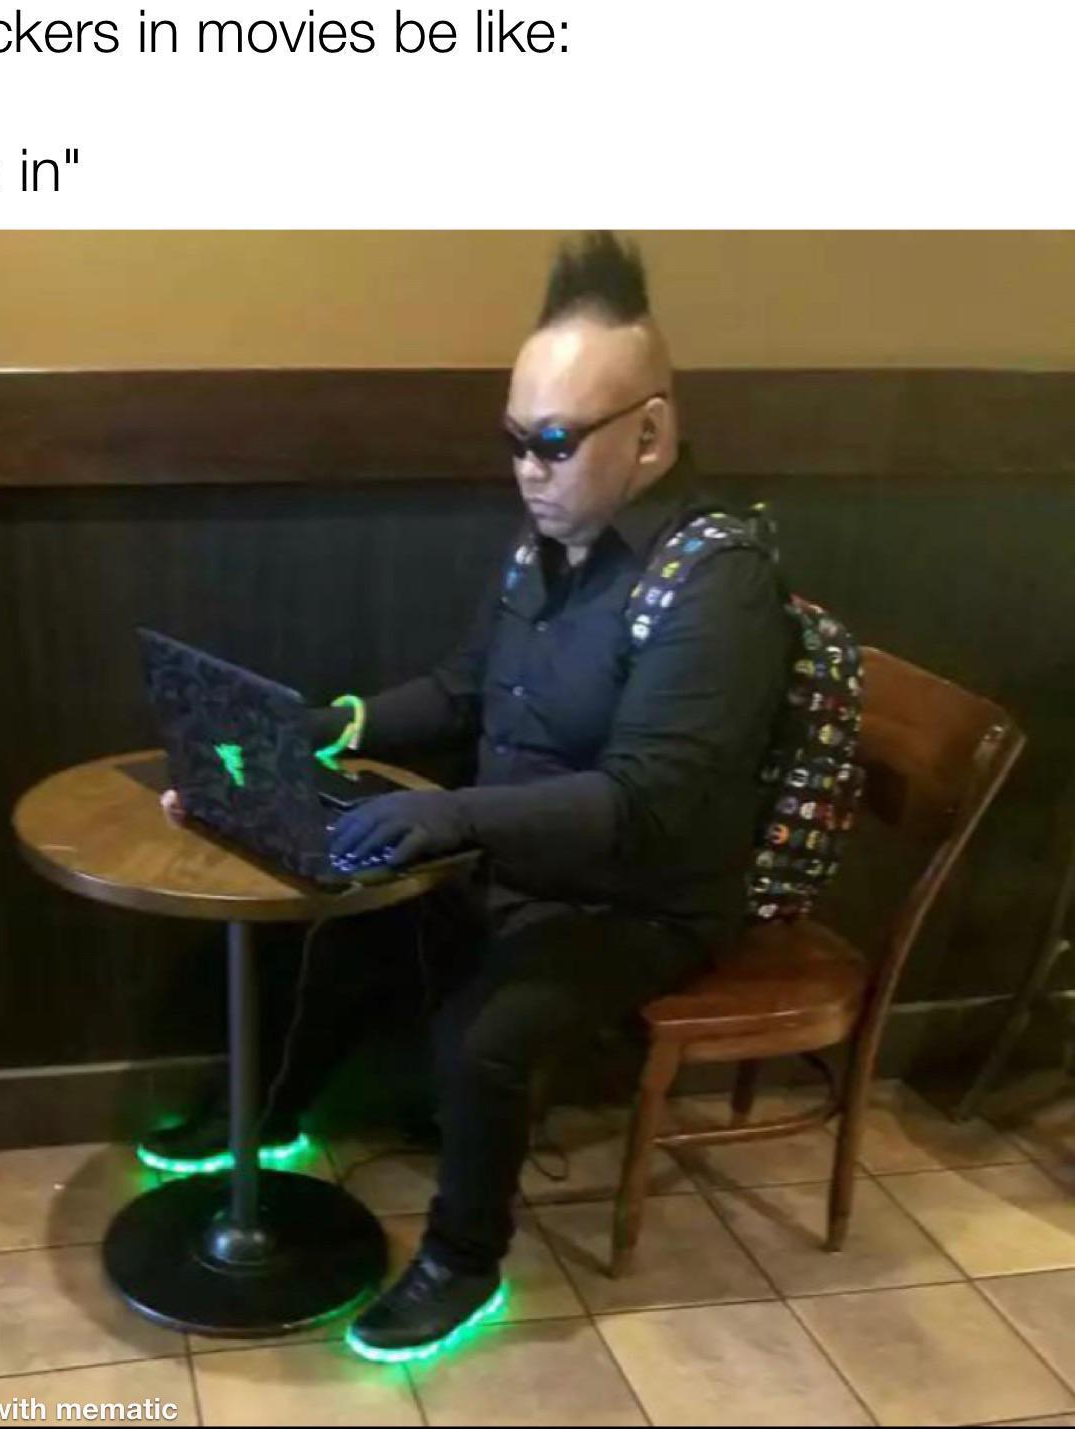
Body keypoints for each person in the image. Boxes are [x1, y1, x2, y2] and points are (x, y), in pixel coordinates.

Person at [151, 232, 790, 1356]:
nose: (528, 472)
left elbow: (643, 803)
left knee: (480, 1037)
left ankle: (463, 1259)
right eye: (514, 441)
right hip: (514, 856)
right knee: (340, 915)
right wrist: (330, 726)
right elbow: (460, 690)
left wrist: (450, 817)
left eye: (554, 443)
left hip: (639, 902)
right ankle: (270, 1117)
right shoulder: (544, 547)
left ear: (648, 434)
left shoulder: (712, 582)